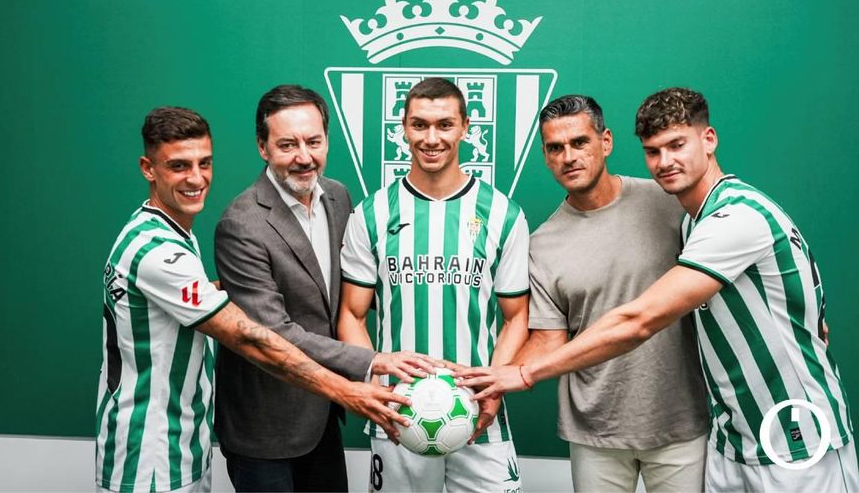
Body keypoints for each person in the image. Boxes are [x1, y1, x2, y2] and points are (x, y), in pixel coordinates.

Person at [457, 87, 858, 492]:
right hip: (731, 437)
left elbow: (638, 320)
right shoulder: (691, 220)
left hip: (795, 430)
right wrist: (493, 378)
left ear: (709, 139)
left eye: (677, 145)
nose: (666, 162)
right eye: (654, 151)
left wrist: (524, 374)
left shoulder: (735, 215)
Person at [95, 107, 414, 493]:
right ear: (149, 169)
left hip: (186, 441)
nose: (196, 178)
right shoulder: (160, 250)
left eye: (204, 163)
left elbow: (187, 297)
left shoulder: (172, 233)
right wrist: (348, 388)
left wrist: (242, 286)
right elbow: (249, 337)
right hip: (148, 450)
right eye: (179, 166)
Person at [212, 85, 438, 492]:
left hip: (321, 416)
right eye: (287, 144)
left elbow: (343, 296)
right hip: (265, 428)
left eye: (313, 141)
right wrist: (372, 361)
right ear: (263, 147)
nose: (304, 157)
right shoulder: (241, 225)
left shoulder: (337, 197)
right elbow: (275, 333)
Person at [337, 77, 530, 493]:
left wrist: (494, 386)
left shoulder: (503, 214)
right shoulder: (370, 214)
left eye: (445, 124)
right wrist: (374, 386)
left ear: (465, 127)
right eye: (419, 125)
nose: (432, 138)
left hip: (479, 413)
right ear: (402, 128)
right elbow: (352, 314)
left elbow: (517, 318)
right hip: (399, 415)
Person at [517, 94, 708, 492]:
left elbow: (731, 267)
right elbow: (549, 340)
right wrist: (496, 376)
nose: (568, 156)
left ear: (605, 142)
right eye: (555, 148)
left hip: (680, 422)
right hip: (595, 430)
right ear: (546, 156)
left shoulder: (671, 200)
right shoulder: (541, 244)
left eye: (579, 143)